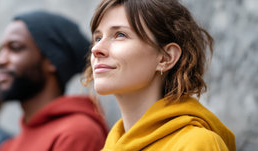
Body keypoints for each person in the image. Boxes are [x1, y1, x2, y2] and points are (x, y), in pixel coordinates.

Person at [84, 0, 236, 150]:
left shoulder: (196, 144)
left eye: (120, 35)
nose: (96, 49)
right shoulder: (110, 147)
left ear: (166, 57)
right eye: (97, 38)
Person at [0, 11, 108, 151]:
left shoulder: (77, 133)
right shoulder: (6, 147)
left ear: (51, 60)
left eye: (16, 48)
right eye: (1, 50)